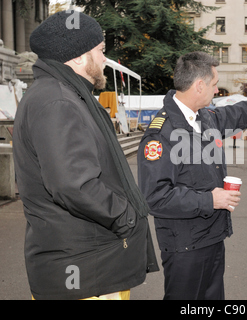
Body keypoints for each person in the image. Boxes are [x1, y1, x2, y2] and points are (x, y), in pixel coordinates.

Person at [13, 10, 158, 300]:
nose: (104, 59)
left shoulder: (62, 94)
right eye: (101, 51)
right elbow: (73, 185)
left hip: (87, 264)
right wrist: (126, 217)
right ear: (79, 57)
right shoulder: (58, 101)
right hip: (86, 272)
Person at [137, 51, 247, 300]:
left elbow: (237, 113)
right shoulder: (161, 134)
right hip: (184, 245)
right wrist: (210, 200)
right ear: (199, 85)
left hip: (211, 236)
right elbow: (155, 197)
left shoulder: (204, 118)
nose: (217, 91)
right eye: (214, 85)